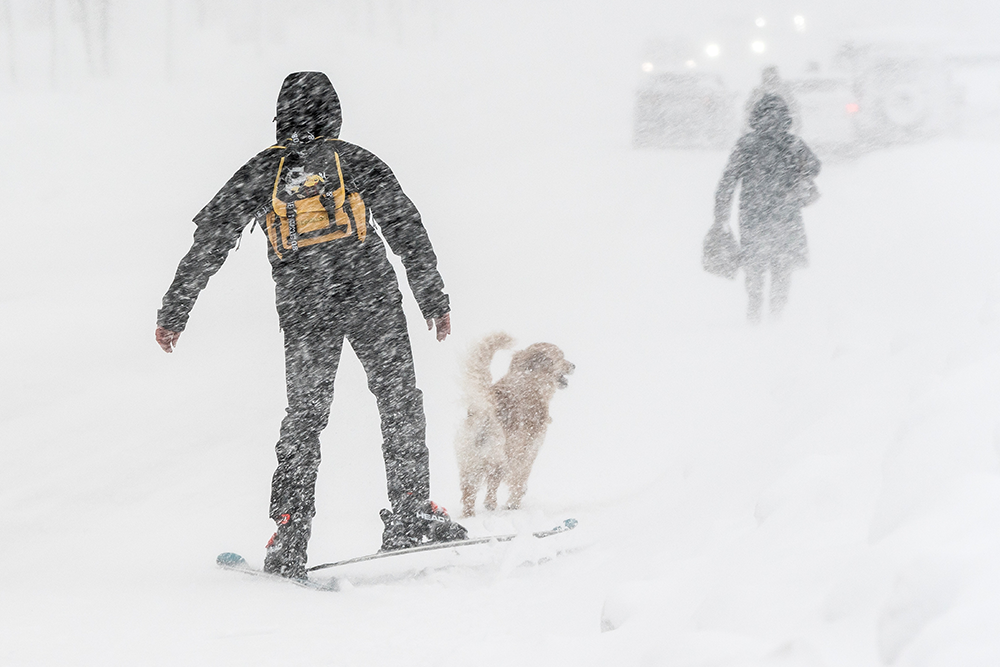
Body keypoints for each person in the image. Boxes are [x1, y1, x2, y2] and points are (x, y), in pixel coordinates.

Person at [155, 71, 467, 579]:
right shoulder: (356, 161)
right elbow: (406, 225)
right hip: (373, 301)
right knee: (398, 402)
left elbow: (210, 242)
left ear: (281, 116)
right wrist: (432, 296)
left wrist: (175, 310)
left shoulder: (262, 172)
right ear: (334, 113)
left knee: (304, 419)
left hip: (306, 313)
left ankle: (290, 533)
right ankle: (409, 512)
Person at [714, 94, 821, 322]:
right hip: (786, 215)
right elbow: (814, 167)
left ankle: (754, 310)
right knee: (782, 265)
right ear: (786, 118)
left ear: (755, 117)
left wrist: (720, 217)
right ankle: (776, 313)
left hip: (753, 215)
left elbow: (728, 181)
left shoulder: (747, 145)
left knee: (755, 264)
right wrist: (796, 168)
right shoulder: (792, 144)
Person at [744, 66, 800, 133]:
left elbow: (748, 111)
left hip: (762, 133)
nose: (770, 78)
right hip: (780, 134)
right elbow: (747, 110)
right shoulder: (757, 91)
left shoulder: (784, 90)